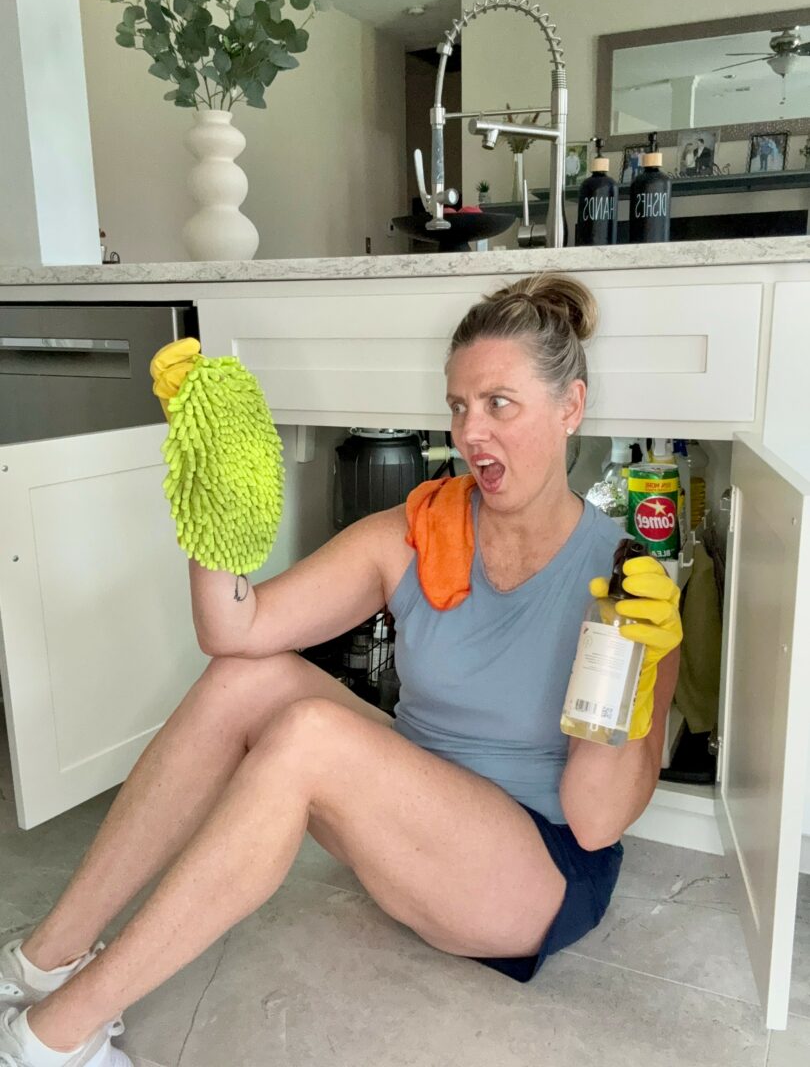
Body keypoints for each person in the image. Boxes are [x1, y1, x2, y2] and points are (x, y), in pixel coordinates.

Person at [0, 274, 681, 1067]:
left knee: (311, 736)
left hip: (534, 873)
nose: (471, 432)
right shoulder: (420, 529)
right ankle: (43, 961)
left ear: (571, 407)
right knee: (244, 682)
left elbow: (596, 823)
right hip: (413, 827)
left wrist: (636, 672)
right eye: (459, 406)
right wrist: (211, 490)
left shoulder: (627, 578)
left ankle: (54, 1036)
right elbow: (234, 630)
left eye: (500, 404)